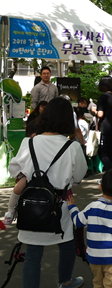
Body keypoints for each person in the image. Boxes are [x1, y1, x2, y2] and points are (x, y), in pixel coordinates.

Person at [8, 97, 88, 288]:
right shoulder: (73, 147)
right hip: (60, 207)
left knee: (33, 254)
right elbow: (78, 177)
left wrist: (28, 178)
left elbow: (15, 170)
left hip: (32, 208)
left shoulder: (29, 143)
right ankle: (65, 282)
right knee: (67, 245)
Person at [68, 169, 112, 288]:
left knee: (97, 282)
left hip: (94, 257)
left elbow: (77, 221)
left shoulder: (91, 207)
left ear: (100, 186)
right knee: (111, 284)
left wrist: (72, 207)